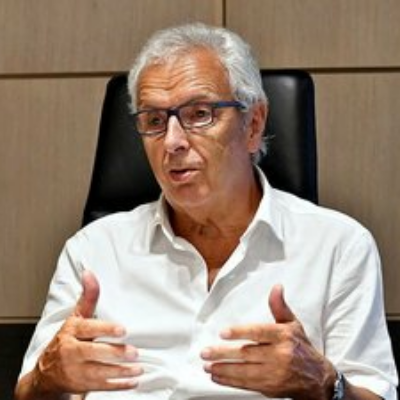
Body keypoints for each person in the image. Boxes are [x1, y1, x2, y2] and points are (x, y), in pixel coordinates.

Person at [15, 23, 397, 400]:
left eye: (199, 114)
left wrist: (325, 385)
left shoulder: (338, 246)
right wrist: (48, 378)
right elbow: (30, 391)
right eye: (154, 121)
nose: (173, 142)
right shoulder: (93, 250)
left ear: (253, 124)